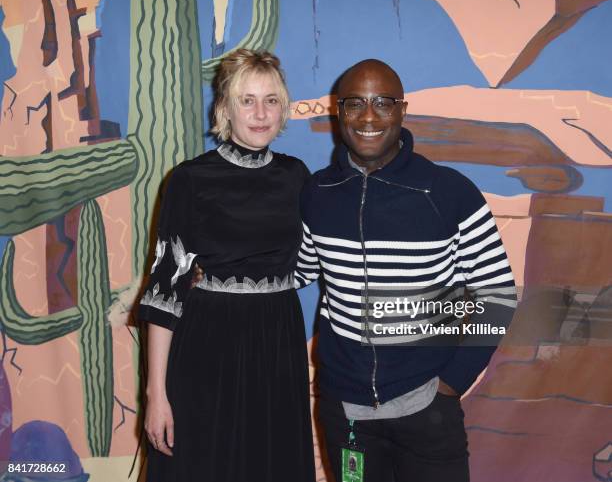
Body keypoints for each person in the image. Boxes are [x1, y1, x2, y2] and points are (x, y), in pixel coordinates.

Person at [294, 59, 517, 481]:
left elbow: (496, 291)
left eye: (383, 102)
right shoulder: (318, 192)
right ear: (338, 112)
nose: (368, 116)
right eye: (355, 103)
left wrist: (451, 382)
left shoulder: (448, 191)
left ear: (402, 110)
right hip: (346, 411)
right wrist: (216, 270)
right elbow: (300, 269)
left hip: (427, 407)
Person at [138, 49, 315, 482]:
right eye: (246, 100)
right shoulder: (189, 180)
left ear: (284, 107)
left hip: (278, 345)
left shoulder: (298, 177)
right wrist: (155, 394)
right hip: (207, 347)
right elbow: (164, 293)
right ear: (224, 109)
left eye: (271, 100)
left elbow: (314, 259)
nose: (260, 113)